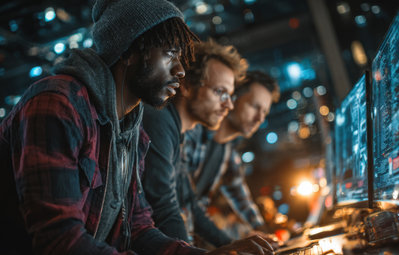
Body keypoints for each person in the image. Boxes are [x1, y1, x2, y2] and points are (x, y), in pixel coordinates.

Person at [0, 0, 274, 254]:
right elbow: (59, 240)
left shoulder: (132, 132)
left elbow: (140, 228)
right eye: (169, 54)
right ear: (130, 50)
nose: (180, 70)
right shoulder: (58, 104)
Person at [142, 39, 248, 247]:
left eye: (231, 96)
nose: (229, 105)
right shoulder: (160, 121)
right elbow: (164, 209)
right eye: (220, 92)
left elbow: (190, 204)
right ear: (188, 86)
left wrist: (232, 246)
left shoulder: (176, 130)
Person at [182, 70, 280, 241]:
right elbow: (186, 203)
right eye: (255, 106)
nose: (259, 118)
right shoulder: (193, 131)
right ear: (233, 98)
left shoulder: (227, 151)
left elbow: (240, 195)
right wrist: (229, 245)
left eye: (264, 112)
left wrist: (265, 233)